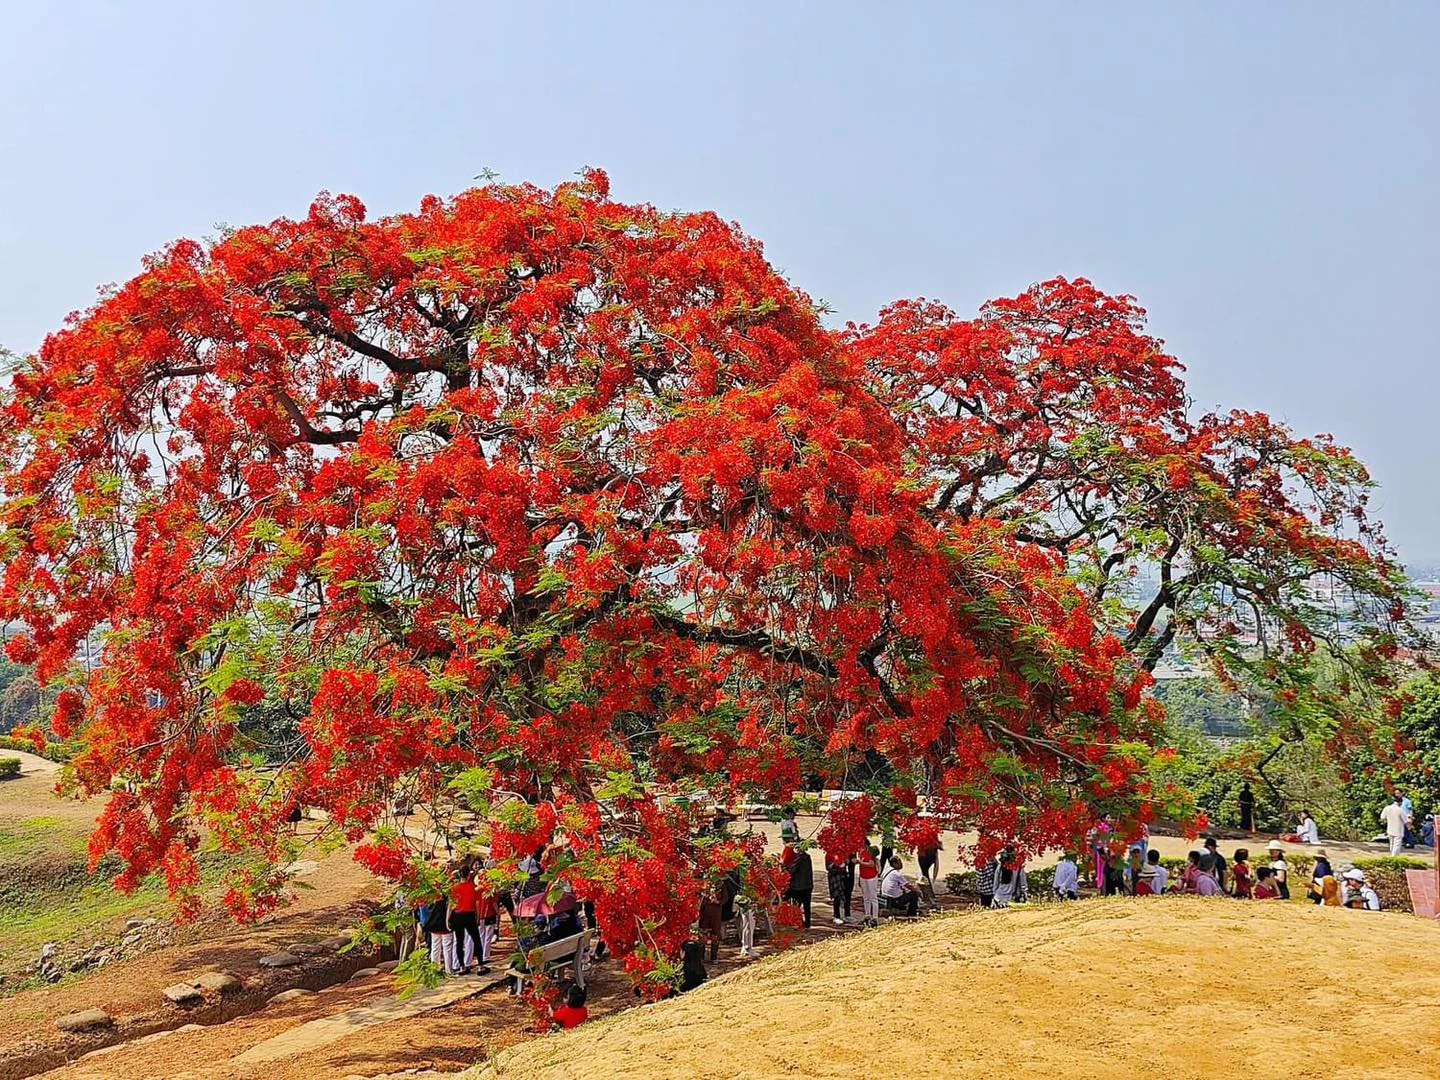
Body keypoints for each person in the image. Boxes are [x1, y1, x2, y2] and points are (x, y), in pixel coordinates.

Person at [449, 863, 486, 973]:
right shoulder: (473, 888)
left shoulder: (454, 888)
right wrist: (478, 918)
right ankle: (480, 965)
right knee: (476, 940)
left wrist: (448, 918)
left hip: (457, 916)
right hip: (469, 915)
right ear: (469, 875)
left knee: (459, 942)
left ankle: (462, 966)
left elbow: (451, 905)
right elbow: (477, 904)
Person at [422, 890, 459, 974]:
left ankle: (434, 970)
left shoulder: (431, 899)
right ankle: (449, 970)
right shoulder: (448, 898)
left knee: (435, 948)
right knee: (447, 949)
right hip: (445, 926)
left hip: (434, 926)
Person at [784, 843, 814, 928]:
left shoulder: (799, 858)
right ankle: (807, 923)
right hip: (808, 885)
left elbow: (792, 870)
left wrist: (785, 868)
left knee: (797, 906)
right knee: (807, 906)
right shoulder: (807, 857)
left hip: (799, 887)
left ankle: (798, 922)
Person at [698, 879, 724, 962]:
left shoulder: (721, 884)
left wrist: (718, 901)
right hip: (704, 914)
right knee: (703, 935)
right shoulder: (703, 884)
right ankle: (701, 957)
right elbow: (698, 894)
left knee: (715, 935)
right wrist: (705, 895)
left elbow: (725, 898)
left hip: (716, 914)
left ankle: (714, 957)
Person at [825, 849, 852, 925]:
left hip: (843, 875)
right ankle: (836, 916)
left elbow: (846, 862)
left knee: (846, 895)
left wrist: (846, 862)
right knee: (837, 896)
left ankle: (847, 915)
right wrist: (835, 864)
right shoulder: (829, 854)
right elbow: (828, 867)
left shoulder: (843, 852)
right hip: (835, 876)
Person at [857, 844, 881, 926]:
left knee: (873, 897)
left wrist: (860, 862)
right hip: (863, 876)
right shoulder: (860, 852)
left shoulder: (870, 852)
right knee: (865, 897)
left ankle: (875, 917)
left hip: (871, 877)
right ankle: (867, 915)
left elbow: (871, 864)